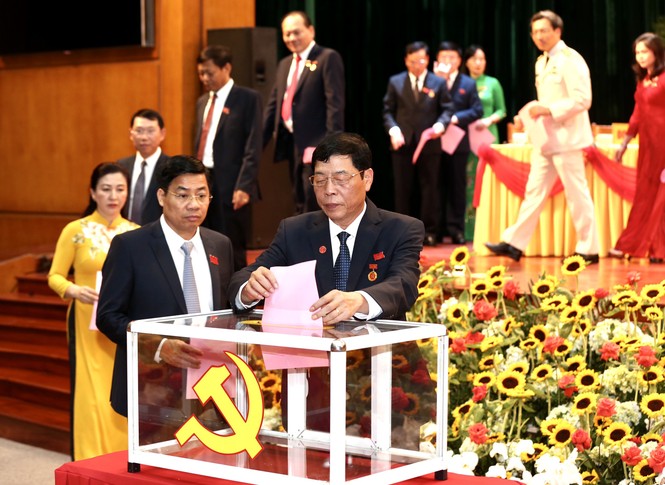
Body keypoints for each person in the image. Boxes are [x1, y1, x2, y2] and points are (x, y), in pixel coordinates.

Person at [229, 132, 424, 429]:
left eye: (341, 178)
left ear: (367, 178)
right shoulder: (294, 231)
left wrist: (359, 300)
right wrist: (249, 289)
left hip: (380, 374)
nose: (329, 190)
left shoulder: (401, 229)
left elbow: (404, 285)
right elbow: (241, 279)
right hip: (311, 379)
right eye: (319, 180)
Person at [97, 155, 234, 418]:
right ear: (162, 197)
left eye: (202, 196)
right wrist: (158, 346)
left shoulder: (220, 244)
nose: (194, 204)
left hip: (211, 382)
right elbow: (108, 316)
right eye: (182, 196)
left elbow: (225, 310)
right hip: (152, 382)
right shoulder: (130, 246)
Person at [485, 10, 599, 264]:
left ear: (557, 31)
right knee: (534, 191)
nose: (539, 36)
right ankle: (515, 243)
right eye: (535, 32)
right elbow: (546, 100)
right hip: (546, 140)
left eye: (544, 30)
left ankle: (589, 247)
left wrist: (547, 109)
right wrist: (528, 116)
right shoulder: (541, 61)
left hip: (568, 139)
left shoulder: (571, 59)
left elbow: (583, 99)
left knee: (576, 193)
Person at [48, 162, 138, 460]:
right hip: (86, 320)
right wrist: (72, 290)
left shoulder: (136, 233)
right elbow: (55, 275)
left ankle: (121, 458)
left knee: (122, 390)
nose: (113, 196)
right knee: (90, 396)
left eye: (120, 189)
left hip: (123, 324)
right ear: (93, 192)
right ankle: (89, 459)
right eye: (106, 189)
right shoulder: (75, 230)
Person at [263, 10, 345, 214]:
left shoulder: (327, 58)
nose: (291, 38)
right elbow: (273, 105)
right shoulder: (284, 64)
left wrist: (328, 147)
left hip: (316, 144)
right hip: (291, 143)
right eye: (287, 34)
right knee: (298, 196)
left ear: (311, 30)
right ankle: (303, 243)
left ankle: (319, 244)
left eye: (296, 32)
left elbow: (335, 105)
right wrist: (257, 143)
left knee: (314, 199)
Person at [195, 45, 262, 271]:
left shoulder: (247, 98)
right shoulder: (202, 102)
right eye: (201, 73)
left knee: (231, 245)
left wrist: (244, 185)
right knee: (204, 241)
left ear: (227, 68)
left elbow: (253, 146)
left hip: (232, 185)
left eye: (210, 73)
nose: (205, 78)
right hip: (204, 181)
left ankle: (236, 296)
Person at [382, 41, 454, 247]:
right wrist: (393, 130)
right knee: (402, 189)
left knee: (430, 188)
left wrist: (440, 125)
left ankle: (430, 232)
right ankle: (401, 233)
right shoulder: (395, 82)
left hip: (430, 144)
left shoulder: (438, 83)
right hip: (402, 144)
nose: (417, 64)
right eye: (413, 61)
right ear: (406, 60)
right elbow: (387, 111)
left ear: (428, 60)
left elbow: (447, 109)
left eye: (421, 60)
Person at [610, 33, 665, 263]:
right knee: (645, 195)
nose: (640, 56)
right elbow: (637, 115)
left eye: (645, 51)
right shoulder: (643, 81)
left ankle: (659, 248)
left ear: (656, 52)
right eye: (637, 53)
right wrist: (624, 142)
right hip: (649, 148)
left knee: (662, 197)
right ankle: (632, 244)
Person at [434, 41, 483, 245]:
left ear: (459, 60)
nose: (448, 61)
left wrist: (456, 118)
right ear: (436, 61)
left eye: (452, 57)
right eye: (444, 57)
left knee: (457, 185)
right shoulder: (431, 81)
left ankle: (456, 229)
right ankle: (435, 229)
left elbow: (477, 110)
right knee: (435, 186)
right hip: (435, 142)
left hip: (458, 141)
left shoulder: (467, 83)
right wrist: (439, 81)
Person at [462, 45, 507, 240]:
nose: (478, 63)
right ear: (467, 62)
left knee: (488, 181)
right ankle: (468, 231)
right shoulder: (461, 83)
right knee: (467, 183)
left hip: (488, 137)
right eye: (474, 59)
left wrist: (488, 120)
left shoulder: (493, 83)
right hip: (466, 139)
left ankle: (490, 230)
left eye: (482, 59)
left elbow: (502, 110)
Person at [119, 108, 169, 225]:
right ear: (131, 134)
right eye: (139, 131)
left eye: (150, 131)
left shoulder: (171, 168)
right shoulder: (121, 166)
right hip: (125, 234)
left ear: (162, 134)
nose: (144, 137)